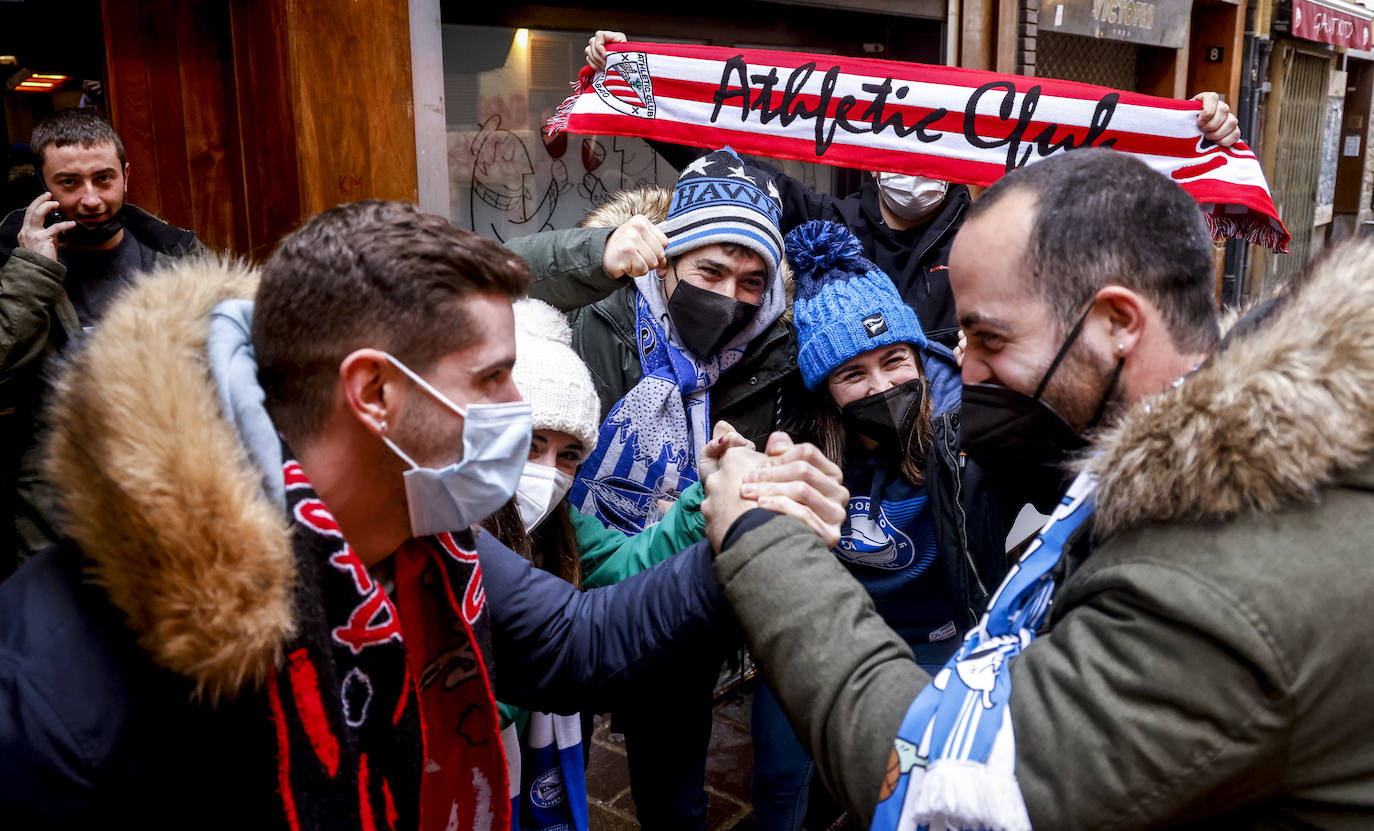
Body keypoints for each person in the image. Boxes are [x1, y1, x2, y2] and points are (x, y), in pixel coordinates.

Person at [0, 200, 847, 828]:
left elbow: (577, 640)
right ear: (374, 392)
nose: (516, 408)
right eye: (492, 378)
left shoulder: (423, 527)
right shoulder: (55, 681)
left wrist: (740, 526)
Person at [702, 148, 1374, 829]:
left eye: (989, 339)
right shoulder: (1164, 450)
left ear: (1118, 324)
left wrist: (761, 540)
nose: (963, 371)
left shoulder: (1217, 585)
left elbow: (943, 787)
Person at [584, 30, 1243, 349]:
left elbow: (1109, 218)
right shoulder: (822, 221)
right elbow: (718, 157)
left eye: (930, 150)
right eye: (898, 149)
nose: (913, 166)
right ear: (870, 155)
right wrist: (634, 83)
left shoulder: (993, 243)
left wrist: (1195, 145)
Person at [519, 147, 806, 830]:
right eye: (710, 271)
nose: (730, 296)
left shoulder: (776, 354)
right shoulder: (597, 310)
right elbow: (485, 274)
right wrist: (594, 255)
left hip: (676, 609)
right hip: (567, 575)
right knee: (543, 775)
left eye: (752, 281)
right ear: (666, 259)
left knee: (674, 799)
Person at [746, 219, 1007, 830]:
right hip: (825, 630)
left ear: (917, 356)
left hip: (935, 639)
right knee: (778, 772)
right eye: (853, 374)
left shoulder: (968, 427)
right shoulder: (798, 439)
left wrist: (1004, 395)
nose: (882, 386)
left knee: (913, 790)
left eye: (894, 361)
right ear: (824, 389)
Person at [486, 297, 728, 831]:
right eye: (531, 444)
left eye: (569, 455)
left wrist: (704, 501)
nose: (548, 471)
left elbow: (627, 564)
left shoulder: (561, 525)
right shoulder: (448, 532)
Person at [0, 109, 206, 575]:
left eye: (104, 179)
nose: (91, 199)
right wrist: (32, 270)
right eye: (69, 183)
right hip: (55, 497)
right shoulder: (9, 260)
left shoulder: (175, 253)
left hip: (163, 488)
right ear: (42, 185)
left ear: (126, 175)